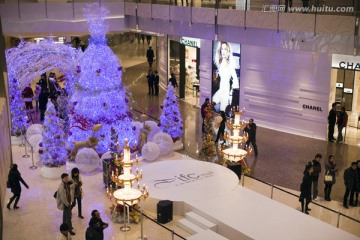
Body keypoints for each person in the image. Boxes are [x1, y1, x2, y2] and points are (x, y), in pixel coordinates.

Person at [212, 42, 239, 112]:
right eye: (222, 49)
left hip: (226, 92)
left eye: (225, 49)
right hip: (220, 90)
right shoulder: (221, 63)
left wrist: (230, 95)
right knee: (212, 103)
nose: (223, 51)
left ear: (228, 51)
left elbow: (235, 79)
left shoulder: (230, 64)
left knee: (222, 111)